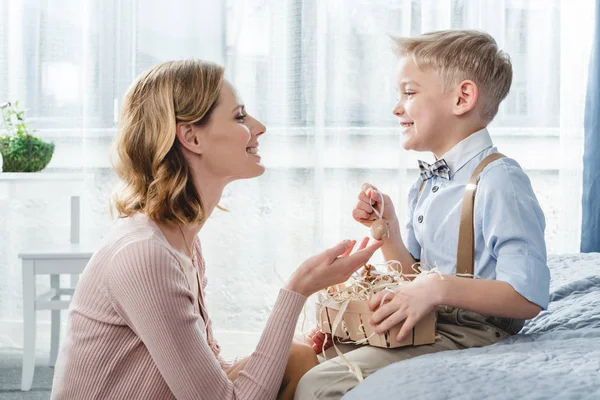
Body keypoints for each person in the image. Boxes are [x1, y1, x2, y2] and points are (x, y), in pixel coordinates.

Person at [50, 59, 382, 400]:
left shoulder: (179, 240)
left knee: (299, 356)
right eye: (239, 116)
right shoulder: (145, 253)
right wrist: (298, 289)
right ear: (191, 137)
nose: (259, 126)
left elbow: (208, 371)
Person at [299, 30, 550, 399]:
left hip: (474, 334)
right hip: (433, 326)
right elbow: (414, 278)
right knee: (306, 357)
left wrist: (436, 288)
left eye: (409, 93)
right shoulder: (426, 183)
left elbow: (526, 297)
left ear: (462, 98)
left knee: (321, 384)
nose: (396, 107)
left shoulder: (500, 180)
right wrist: (391, 232)